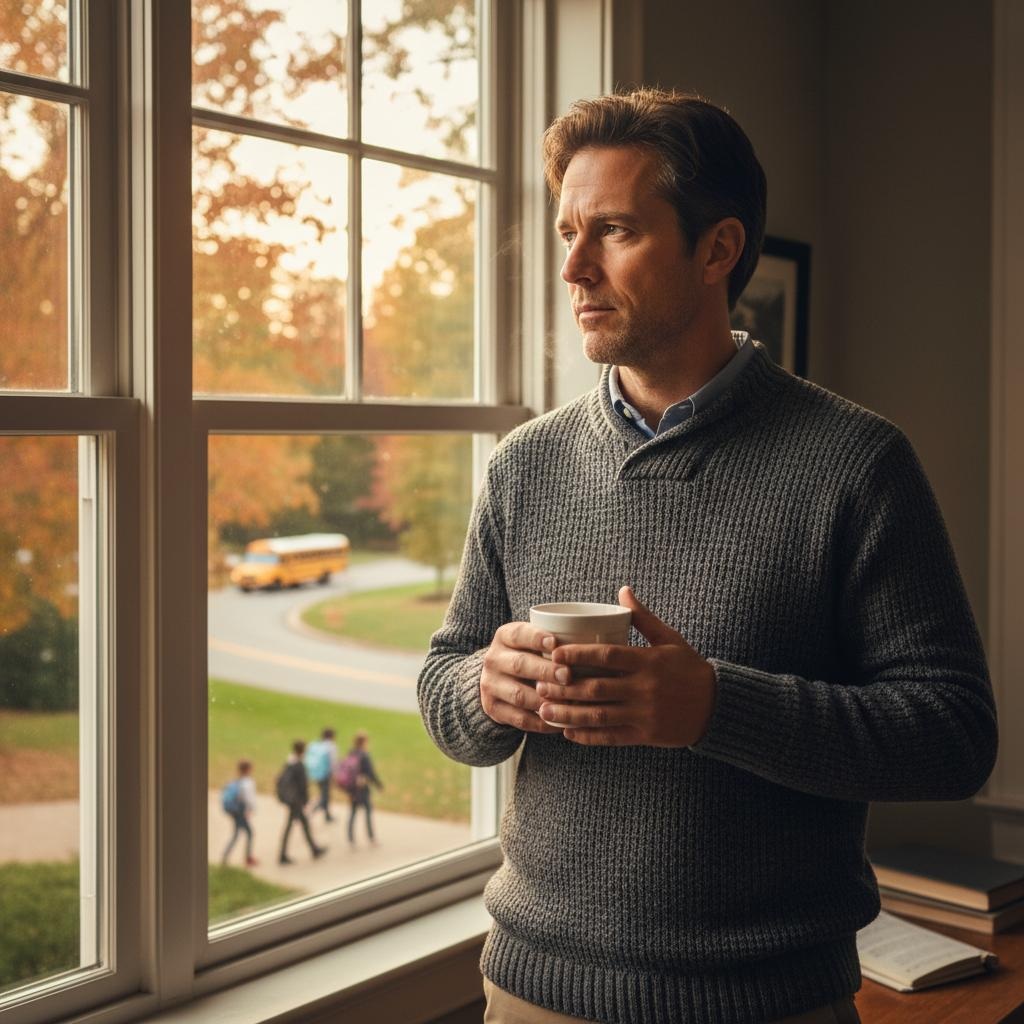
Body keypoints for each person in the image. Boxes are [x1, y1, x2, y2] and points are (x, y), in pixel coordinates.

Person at [417, 88, 998, 1024]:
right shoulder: (524, 465)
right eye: (568, 229)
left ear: (717, 249)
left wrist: (719, 708)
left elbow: (954, 738)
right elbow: (443, 682)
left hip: (767, 1003)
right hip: (531, 993)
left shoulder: (856, 464)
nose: (573, 266)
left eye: (613, 230)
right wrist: (487, 688)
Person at [275, 739, 327, 865]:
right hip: (296, 801)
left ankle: (314, 849)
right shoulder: (299, 766)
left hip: (292, 800)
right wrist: (306, 801)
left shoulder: (289, 762)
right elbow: (303, 786)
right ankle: (284, 855)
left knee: (302, 824)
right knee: (293, 826)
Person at [343, 730, 383, 846]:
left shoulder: (351, 752)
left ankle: (350, 838)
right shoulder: (365, 755)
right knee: (368, 812)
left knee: (353, 813)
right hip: (363, 789)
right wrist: (379, 785)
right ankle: (371, 837)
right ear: (364, 742)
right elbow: (370, 773)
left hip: (352, 789)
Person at [220, 759, 257, 868]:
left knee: (239, 833)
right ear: (248, 770)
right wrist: (250, 810)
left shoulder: (236, 781)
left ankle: (227, 856)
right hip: (240, 812)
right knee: (246, 833)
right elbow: (249, 799)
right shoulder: (247, 783)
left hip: (235, 811)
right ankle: (247, 858)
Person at [305, 727, 338, 822]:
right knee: (324, 798)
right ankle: (310, 813)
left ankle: (327, 816)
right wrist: (335, 776)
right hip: (325, 775)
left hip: (316, 773)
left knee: (325, 795)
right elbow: (333, 763)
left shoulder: (317, 744)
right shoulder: (331, 747)